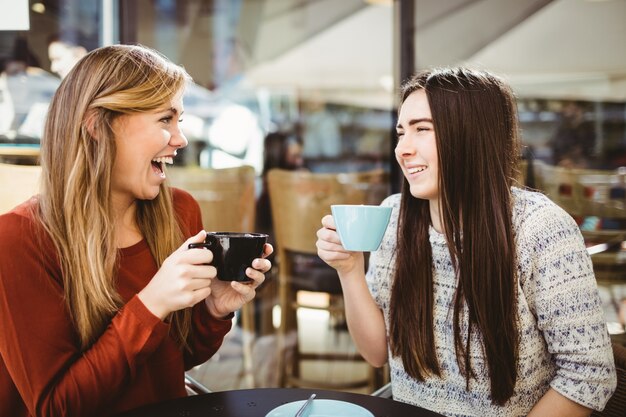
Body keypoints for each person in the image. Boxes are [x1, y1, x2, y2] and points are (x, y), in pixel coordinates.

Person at [316, 67, 616, 416]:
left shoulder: (541, 228)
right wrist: (349, 269)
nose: (403, 149)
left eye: (422, 130)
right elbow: (377, 352)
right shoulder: (394, 218)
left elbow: (589, 375)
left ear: (470, 136)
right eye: (401, 133)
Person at [0, 44, 272, 417]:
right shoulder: (18, 240)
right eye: (165, 119)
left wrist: (214, 309)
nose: (181, 139)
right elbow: (55, 407)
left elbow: (176, 356)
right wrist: (151, 304)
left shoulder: (179, 212)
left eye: (179, 120)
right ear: (97, 125)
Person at [550, 101, 596, 169]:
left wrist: (580, 162)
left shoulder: (587, 128)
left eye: (574, 108)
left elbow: (588, 151)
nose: (568, 110)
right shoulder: (562, 128)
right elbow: (558, 149)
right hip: (564, 167)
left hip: (581, 166)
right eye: (567, 107)